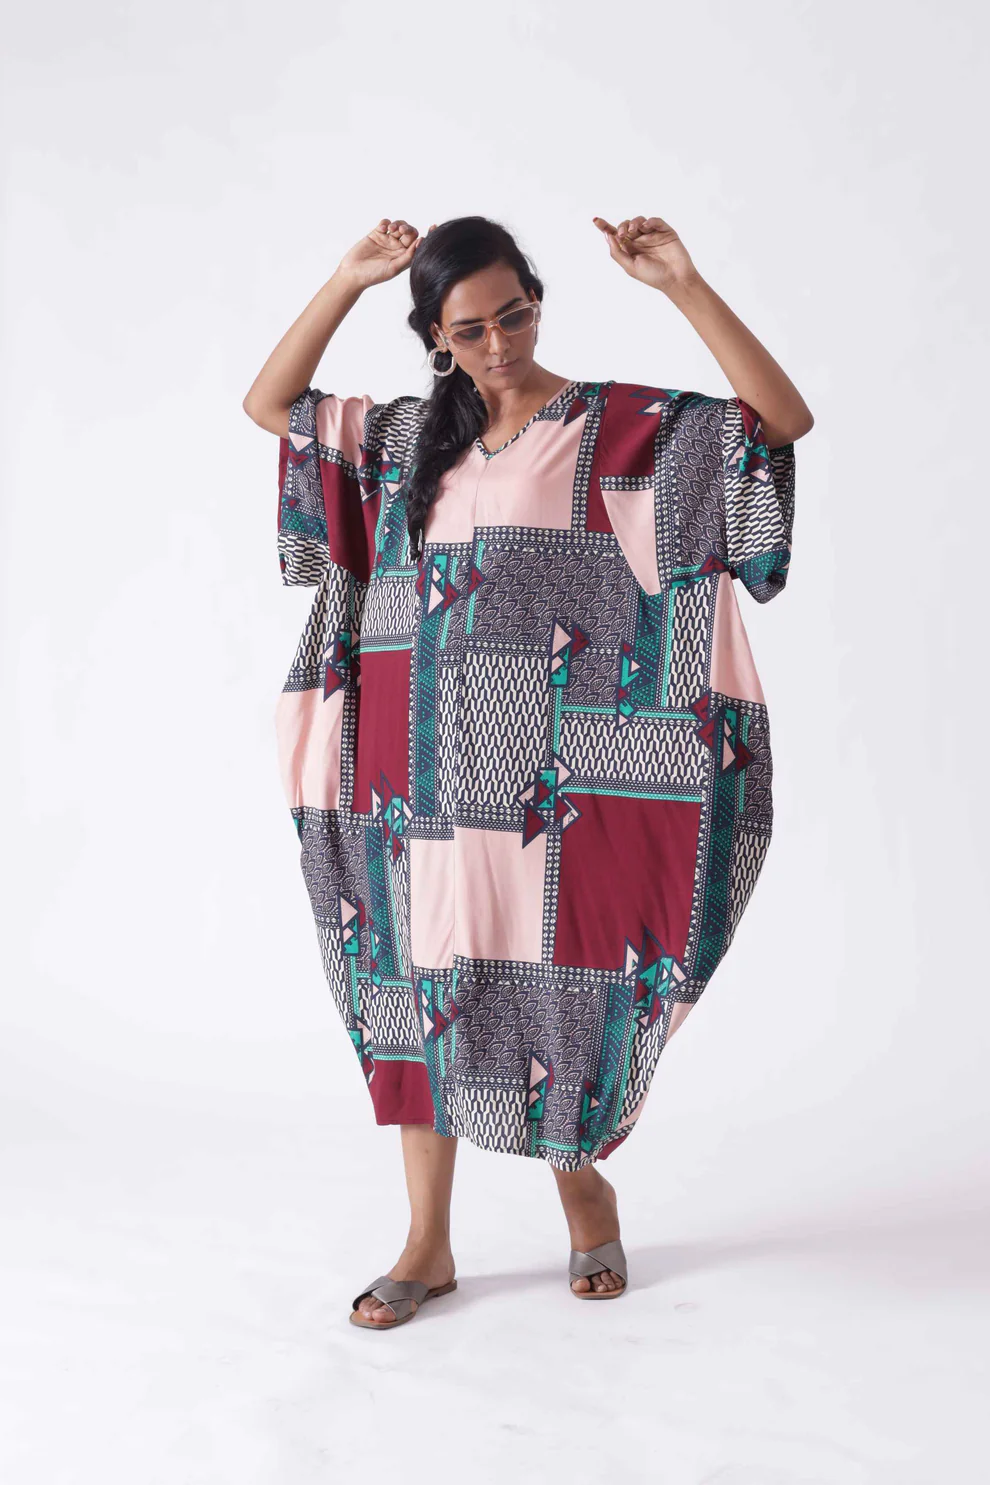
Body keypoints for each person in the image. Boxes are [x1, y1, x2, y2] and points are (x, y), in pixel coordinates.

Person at [243, 214, 814, 1329]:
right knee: (415, 989)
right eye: (470, 329)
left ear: (538, 303)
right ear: (435, 336)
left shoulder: (622, 432)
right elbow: (273, 405)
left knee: (555, 984)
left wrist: (685, 285)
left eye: (515, 315)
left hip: (551, 781)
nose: (499, 343)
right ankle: (427, 1241)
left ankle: (583, 1190)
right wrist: (347, 278)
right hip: (412, 776)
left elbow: (778, 423)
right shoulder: (406, 440)